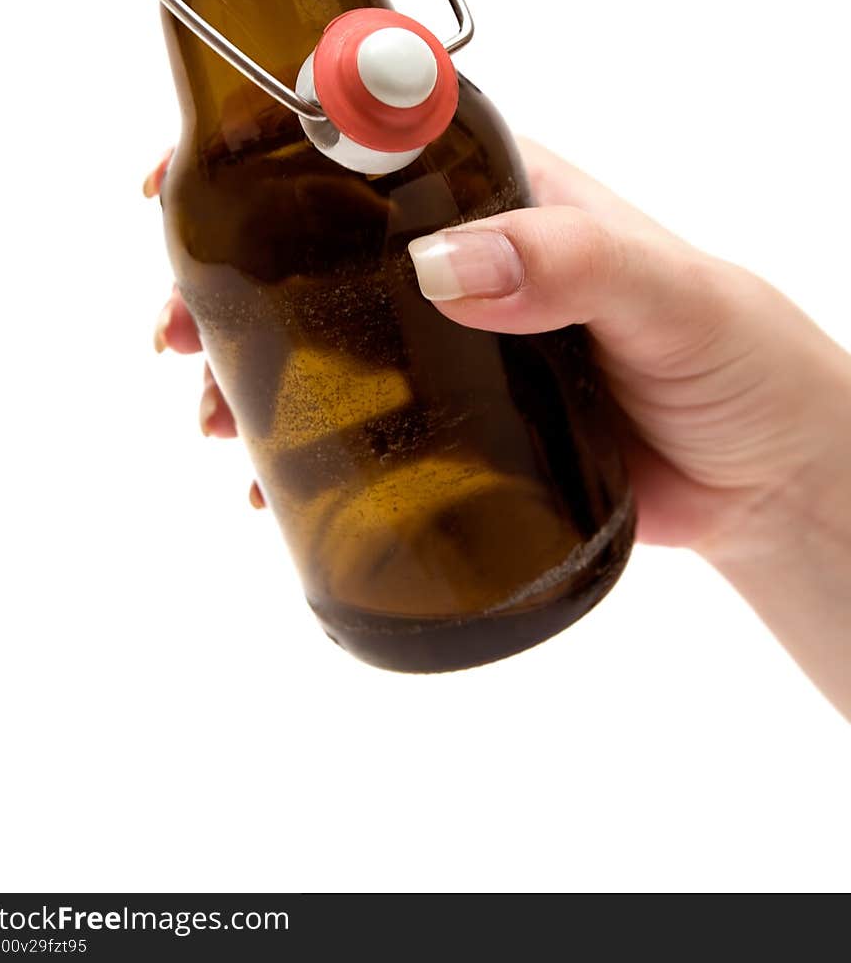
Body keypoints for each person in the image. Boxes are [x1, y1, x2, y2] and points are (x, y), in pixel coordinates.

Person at [146, 138, 851, 718]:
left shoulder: (443, 129)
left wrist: (789, 480)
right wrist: (776, 498)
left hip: (583, 521)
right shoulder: (208, 183)